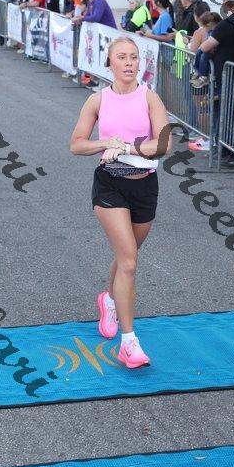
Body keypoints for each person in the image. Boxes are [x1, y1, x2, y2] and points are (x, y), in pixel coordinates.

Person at [70, 36, 172, 369]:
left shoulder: (150, 97)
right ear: (110, 63)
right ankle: (129, 344)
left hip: (145, 186)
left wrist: (127, 147)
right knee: (128, 261)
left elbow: (163, 144)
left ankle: (110, 299)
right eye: (122, 57)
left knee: (127, 255)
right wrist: (104, 144)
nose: (129, 63)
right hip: (110, 185)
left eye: (134, 57)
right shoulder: (97, 100)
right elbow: (76, 144)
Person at [200, 0, 234, 167]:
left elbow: (205, 47)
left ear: (226, 3)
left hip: (228, 75)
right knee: (231, 114)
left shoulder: (226, 24)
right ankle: (231, 152)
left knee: (230, 115)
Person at [190, 12, 222, 88]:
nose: (203, 29)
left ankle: (204, 76)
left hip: (216, 51)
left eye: (204, 27)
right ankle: (197, 70)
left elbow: (213, 43)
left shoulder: (218, 30)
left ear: (209, 24)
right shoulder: (210, 30)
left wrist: (205, 47)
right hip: (210, 49)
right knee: (199, 52)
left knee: (204, 55)